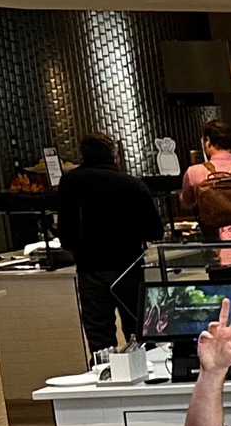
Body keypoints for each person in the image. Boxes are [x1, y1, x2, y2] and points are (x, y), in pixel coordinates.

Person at [54, 134, 163, 358]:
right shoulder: (132, 184)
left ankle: (104, 377)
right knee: (138, 330)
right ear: (114, 154)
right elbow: (155, 231)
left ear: (82, 154)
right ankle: (146, 375)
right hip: (129, 266)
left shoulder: (71, 182)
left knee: (99, 335)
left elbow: (66, 232)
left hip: (90, 267)